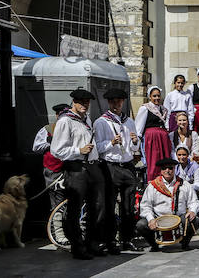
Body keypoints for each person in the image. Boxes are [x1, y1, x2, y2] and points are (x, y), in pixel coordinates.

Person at [52, 89, 108, 259]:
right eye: (81, 102)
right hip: (76, 168)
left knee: (98, 206)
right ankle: (78, 246)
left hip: (92, 166)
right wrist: (79, 150)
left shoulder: (87, 119)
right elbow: (57, 150)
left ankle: (92, 243)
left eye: (87, 102)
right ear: (74, 103)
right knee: (75, 209)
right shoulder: (65, 121)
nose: (85, 105)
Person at [94, 88, 141, 252]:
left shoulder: (129, 121)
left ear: (123, 102)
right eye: (113, 101)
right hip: (110, 166)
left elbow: (134, 147)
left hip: (127, 165)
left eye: (119, 101)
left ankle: (127, 239)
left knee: (128, 207)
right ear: (108, 103)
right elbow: (97, 148)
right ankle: (109, 241)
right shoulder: (101, 122)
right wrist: (111, 143)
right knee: (109, 205)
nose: (116, 104)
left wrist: (136, 141)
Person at [136, 157, 199, 252]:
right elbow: (145, 206)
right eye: (164, 168)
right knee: (141, 224)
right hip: (158, 218)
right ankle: (154, 245)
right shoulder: (153, 186)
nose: (167, 171)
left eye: (170, 168)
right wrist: (151, 219)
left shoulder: (184, 184)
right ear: (161, 171)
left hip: (178, 218)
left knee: (194, 220)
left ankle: (185, 243)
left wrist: (192, 211)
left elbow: (194, 201)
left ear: (174, 169)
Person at [33, 103, 71, 211]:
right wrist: (51, 144)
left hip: (71, 170)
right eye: (62, 115)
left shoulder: (73, 129)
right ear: (57, 115)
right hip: (54, 171)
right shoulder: (48, 129)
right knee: (57, 202)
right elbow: (36, 147)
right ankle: (57, 226)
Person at [137, 86, 171, 182]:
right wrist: (137, 144)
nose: (157, 98)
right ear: (150, 97)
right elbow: (139, 127)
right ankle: (151, 183)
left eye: (158, 96)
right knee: (152, 163)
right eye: (154, 96)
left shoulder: (163, 109)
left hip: (163, 139)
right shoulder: (145, 108)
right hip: (151, 139)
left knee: (164, 162)